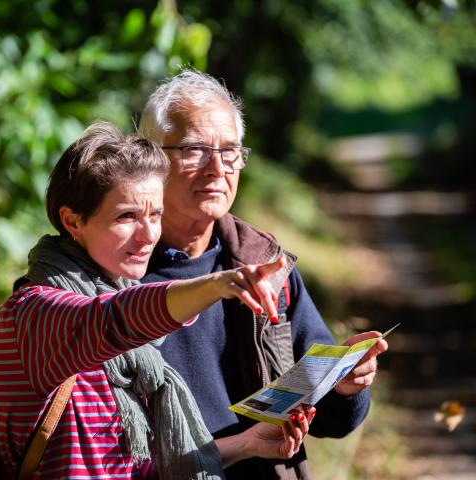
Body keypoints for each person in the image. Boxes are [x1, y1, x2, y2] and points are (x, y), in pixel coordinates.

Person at [0, 122, 314, 479]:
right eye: (126, 216)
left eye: (155, 214)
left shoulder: (133, 347)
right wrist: (217, 285)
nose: (147, 235)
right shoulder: (35, 312)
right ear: (73, 221)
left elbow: (139, 470)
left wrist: (247, 443)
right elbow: (116, 320)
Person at [136, 69, 389, 479]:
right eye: (195, 149)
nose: (217, 168)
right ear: (148, 156)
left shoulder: (263, 265)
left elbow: (331, 421)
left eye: (231, 150)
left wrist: (346, 384)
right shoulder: (113, 275)